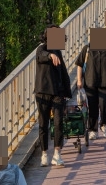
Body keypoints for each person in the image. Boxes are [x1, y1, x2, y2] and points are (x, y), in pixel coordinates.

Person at [34, 25, 71, 167]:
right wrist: (50, 56)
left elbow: (63, 73)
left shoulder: (58, 51)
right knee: (43, 123)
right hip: (42, 92)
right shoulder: (42, 48)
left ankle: (57, 153)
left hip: (58, 92)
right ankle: (44, 153)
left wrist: (67, 93)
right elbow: (41, 56)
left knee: (58, 122)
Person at [75, 40, 106, 140]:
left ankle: (104, 124)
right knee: (93, 107)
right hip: (90, 82)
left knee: (105, 105)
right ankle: (93, 130)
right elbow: (79, 64)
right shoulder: (87, 49)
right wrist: (79, 80)